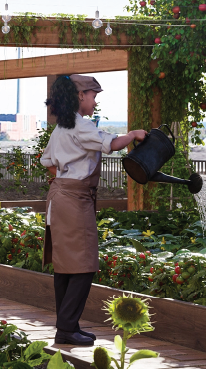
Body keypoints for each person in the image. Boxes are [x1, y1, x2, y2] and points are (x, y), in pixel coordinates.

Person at [40, 75, 147, 347]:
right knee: (84, 264)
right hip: (75, 200)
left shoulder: (61, 128)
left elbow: (47, 161)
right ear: (80, 96)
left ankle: (67, 327)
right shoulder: (80, 125)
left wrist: (64, 178)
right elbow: (110, 144)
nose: (95, 100)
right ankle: (66, 327)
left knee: (65, 266)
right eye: (93, 94)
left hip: (60, 197)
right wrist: (134, 135)